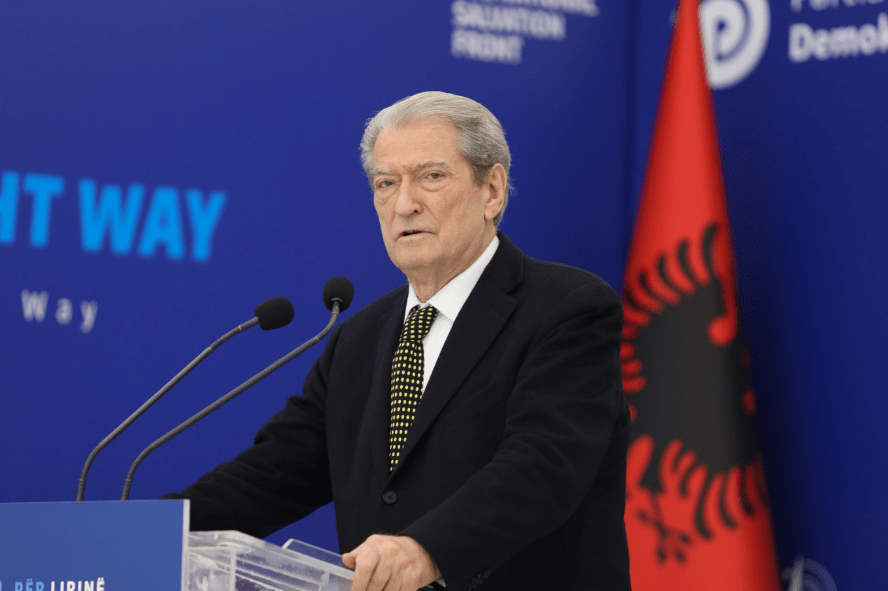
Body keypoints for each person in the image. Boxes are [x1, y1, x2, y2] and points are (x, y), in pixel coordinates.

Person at [166, 91, 631, 591]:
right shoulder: (359, 338)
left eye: (431, 176)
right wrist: (149, 531)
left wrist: (426, 548)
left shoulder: (568, 309)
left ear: (492, 190)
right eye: (386, 183)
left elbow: (542, 467)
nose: (405, 204)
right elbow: (273, 473)